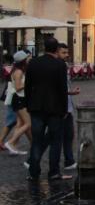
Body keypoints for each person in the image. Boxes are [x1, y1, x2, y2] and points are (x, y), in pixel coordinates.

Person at [25, 38, 70, 182]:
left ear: (44, 47)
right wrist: (64, 109)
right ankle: (53, 172)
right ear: (56, 49)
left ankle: (33, 172)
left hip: (36, 107)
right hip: (55, 108)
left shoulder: (33, 63)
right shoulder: (59, 64)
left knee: (37, 141)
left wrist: (29, 104)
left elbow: (27, 86)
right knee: (56, 141)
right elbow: (62, 89)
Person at [57, 43, 79, 171]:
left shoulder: (63, 66)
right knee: (53, 137)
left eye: (67, 52)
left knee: (69, 134)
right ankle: (32, 160)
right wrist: (70, 93)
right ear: (57, 52)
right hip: (61, 107)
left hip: (67, 105)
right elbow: (58, 89)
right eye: (63, 53)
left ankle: (69, 160)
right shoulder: (58, 67)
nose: (66, 55)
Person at [4, 51, 31, 155]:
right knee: (28, 124)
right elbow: (18, 87)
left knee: (20, 123)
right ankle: (10, 142)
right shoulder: (19, 71)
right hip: (19, 99)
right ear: (23, 60)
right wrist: (28, 83)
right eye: (27, 58)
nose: (29, 59)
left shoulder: (18, 70)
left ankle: (13, 146)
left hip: (20, 99)